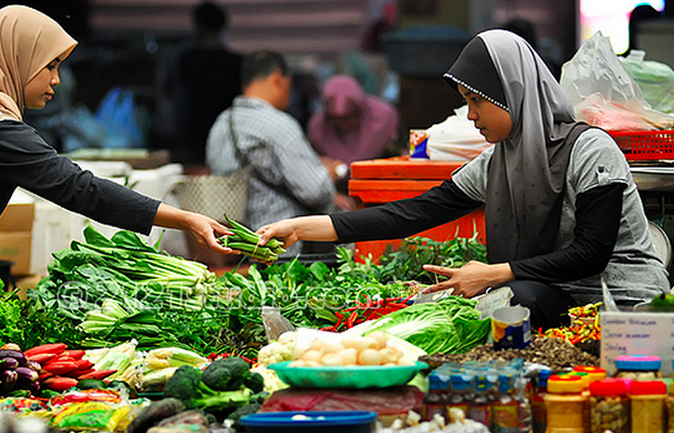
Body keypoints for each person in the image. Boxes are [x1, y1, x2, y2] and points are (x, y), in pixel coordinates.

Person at [257, 29, 670, 328]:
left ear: (513, 92)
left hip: (627, 304)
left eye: (477, 101)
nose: (471, 115)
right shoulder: (498, 162)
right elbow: (413, 213)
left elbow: (591, 253)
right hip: (563, 299)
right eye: (466, 102)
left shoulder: (589, 149)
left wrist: (495, 273)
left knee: (512, 293)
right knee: (512, 300)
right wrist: (303, 226)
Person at [0, 5, 234, 314]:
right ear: (17, 59)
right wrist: (185, 219)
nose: (57, 80)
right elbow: (78, 188)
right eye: (49, 66)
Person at [205, 50, 350, 256]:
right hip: (282, 250)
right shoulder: (279, 124)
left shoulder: (220, 124)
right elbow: (315, 191)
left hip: (237, 247)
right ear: (277, 79)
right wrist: (331, 173)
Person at [170, 1, 242, 164]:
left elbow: (173, 94)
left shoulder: (186, 59)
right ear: (223, 25)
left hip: (192, 134)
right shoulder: (235, 62)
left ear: (198, 25)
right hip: (228, 134)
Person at [307, 74, 399, 167]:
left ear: (359, 110)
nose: (344, 124)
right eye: (337, 119)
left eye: (349, 118)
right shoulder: (318, 129)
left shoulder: (384, 119)